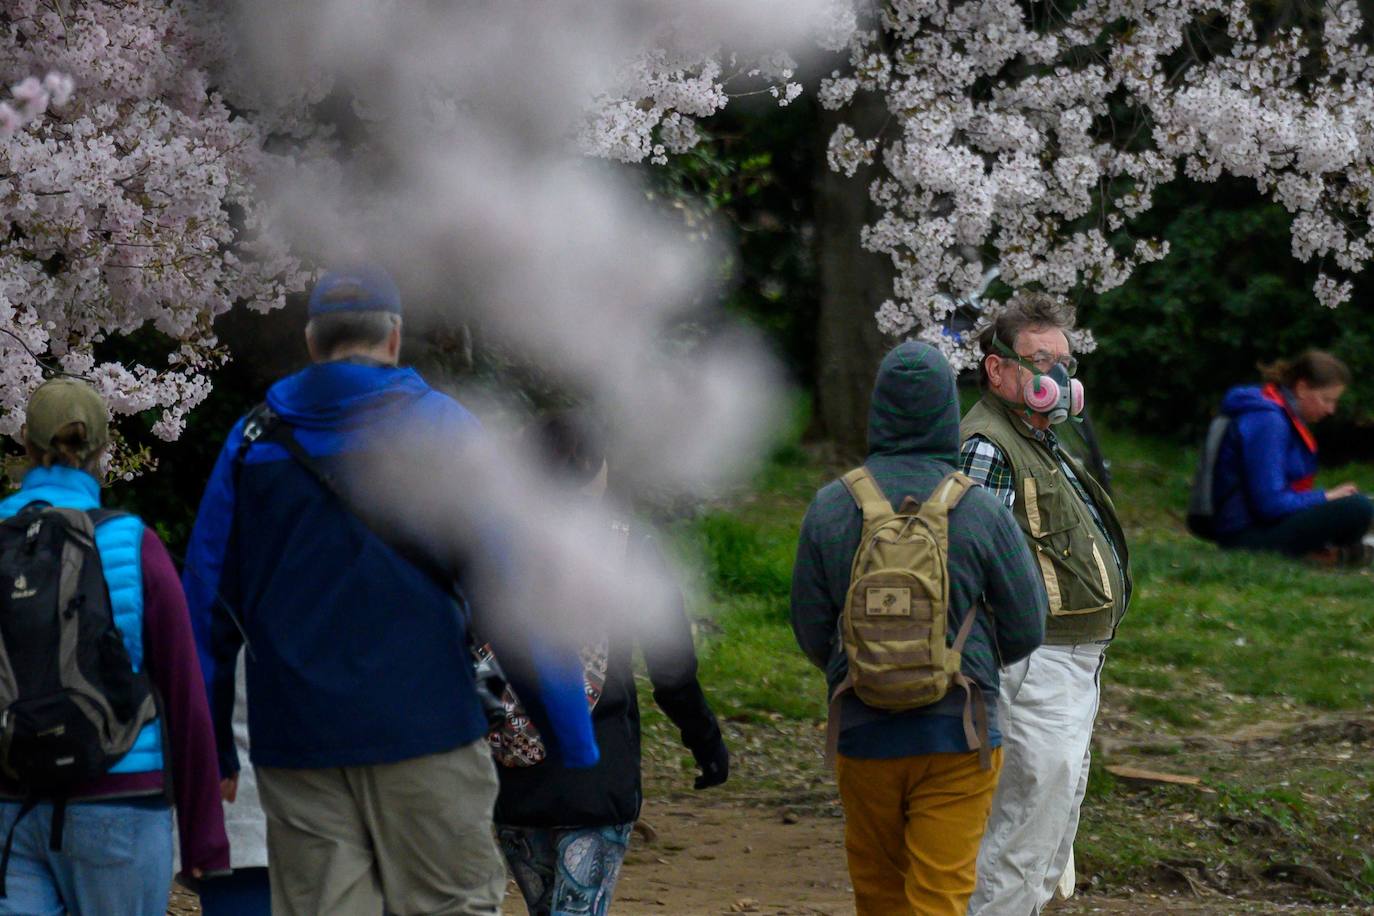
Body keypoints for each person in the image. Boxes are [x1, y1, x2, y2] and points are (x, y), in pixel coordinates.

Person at [182, 266, 597, 916]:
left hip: (296, 742)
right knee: (449, 903)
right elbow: (513, 590)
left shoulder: (252, 441)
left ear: (314, 340)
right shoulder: (449, 432)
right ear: (394, 338)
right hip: (425, 729)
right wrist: (569, 732)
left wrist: (210, 749)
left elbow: (206, 604)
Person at [790, 342, 1047, 915]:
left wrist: (868, 661)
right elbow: (1028, 625)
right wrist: (965, 658)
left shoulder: (832, 506)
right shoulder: (980, 509)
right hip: (961, 732)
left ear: (877, 410)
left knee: (880, 895)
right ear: (946, 413)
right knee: (941, 895)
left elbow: (808, 627)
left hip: (862, 728)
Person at [0, 378, 228, 915]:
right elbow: (184, 692)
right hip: (121, 795)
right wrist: (204, 839)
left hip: (10, 802)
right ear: (103, 452)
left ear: (26, 448)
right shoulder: (132, 542)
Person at [493, 412, 729, 916]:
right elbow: (671, 670)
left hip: (512, 775)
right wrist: (705, 742)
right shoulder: (630, 547)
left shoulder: (492, 547)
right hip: (598, 773)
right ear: (592, 466)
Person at [960, 293, 1132, 915]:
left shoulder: (1039, 439)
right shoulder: (989, 445)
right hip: (1034, 666)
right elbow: (968, 568)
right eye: (1039, 360)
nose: (1057, 377)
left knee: (1050, 839)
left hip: (1072, 666)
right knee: (1021, 838)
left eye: (1065, 360)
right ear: (999, 369)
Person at [1208, 350, 1372, 559]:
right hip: (1245, 536)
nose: (1331, 410)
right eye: (1326, 400)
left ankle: (1333, 552)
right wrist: (1325, 497)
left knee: (1357, 504)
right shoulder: (1269, 422)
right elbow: (1270, 505)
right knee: (1357, 508)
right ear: (1302, 388)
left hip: (1262, 526)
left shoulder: (1281, 415)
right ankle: (1333, 553)